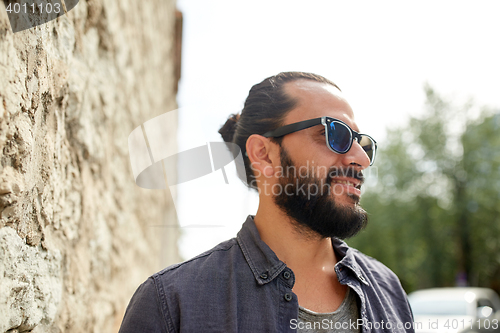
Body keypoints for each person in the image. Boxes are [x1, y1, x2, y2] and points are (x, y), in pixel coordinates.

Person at [119, 72, 415, 332]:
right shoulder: (171, 303)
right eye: (334, 134)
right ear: (263, 153)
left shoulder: (387, 290)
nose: (361, 159)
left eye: (362, 143)